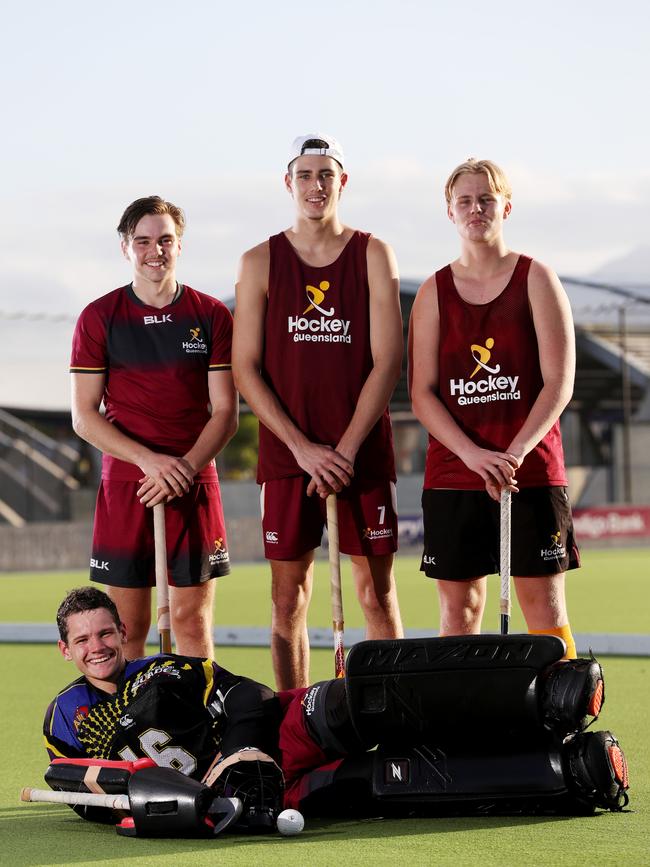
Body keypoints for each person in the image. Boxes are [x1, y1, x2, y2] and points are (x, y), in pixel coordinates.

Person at [43, 587, 625, 833]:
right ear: (65, 650)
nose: (98, 648)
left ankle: (548, 694)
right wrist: (185, 810)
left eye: (105, 633)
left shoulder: (162, 670)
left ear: (124, 631)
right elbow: (83, 794)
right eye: (84, 640)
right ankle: (570, 771)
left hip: (276, 734)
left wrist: (240, 752)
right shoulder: (64, 721)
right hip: (259, 802)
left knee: (360, 701)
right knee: (387, 784)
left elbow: (246, 694)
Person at [233, 134, 404, 689]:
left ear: (342, 182)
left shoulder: (374, 253)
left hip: (362, 453)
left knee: (376, 594)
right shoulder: (259, 260)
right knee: (289, 600)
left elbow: (387, 361)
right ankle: (295, 725)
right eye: (304, 175)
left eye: (325, 175)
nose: (315, 185)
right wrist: (305, 451)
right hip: (289, 458)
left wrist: (345, 450)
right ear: (289, 183)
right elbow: (245, 369)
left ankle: (392, 723)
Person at [410, 159, 580, 657]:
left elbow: (559, 381)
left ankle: (558, 729)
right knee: (459, 615)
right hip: (455, 474)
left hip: (529, 471)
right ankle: (464, 730)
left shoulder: (536, 278)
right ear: (450, 212)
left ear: (505, 206)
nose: (476, 209)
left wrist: (515, 451)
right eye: (464, 201)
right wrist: (473, 456)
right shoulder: (433, 291)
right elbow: (422, 392)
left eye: (486, 199)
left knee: (544, 612)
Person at [70, 197, 237, 659]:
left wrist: (182, 467)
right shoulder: (99, 317)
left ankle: (195, 729)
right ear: (126, 247)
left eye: (164, 240)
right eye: (142, 241)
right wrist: (149, 461)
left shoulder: (210, 315)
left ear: (179, 244)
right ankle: (139, 729)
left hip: (193, 479)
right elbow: (84, 416)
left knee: (191, 622)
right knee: (127, 627)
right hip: (129, 484)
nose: (154, 250)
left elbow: (226, 412)